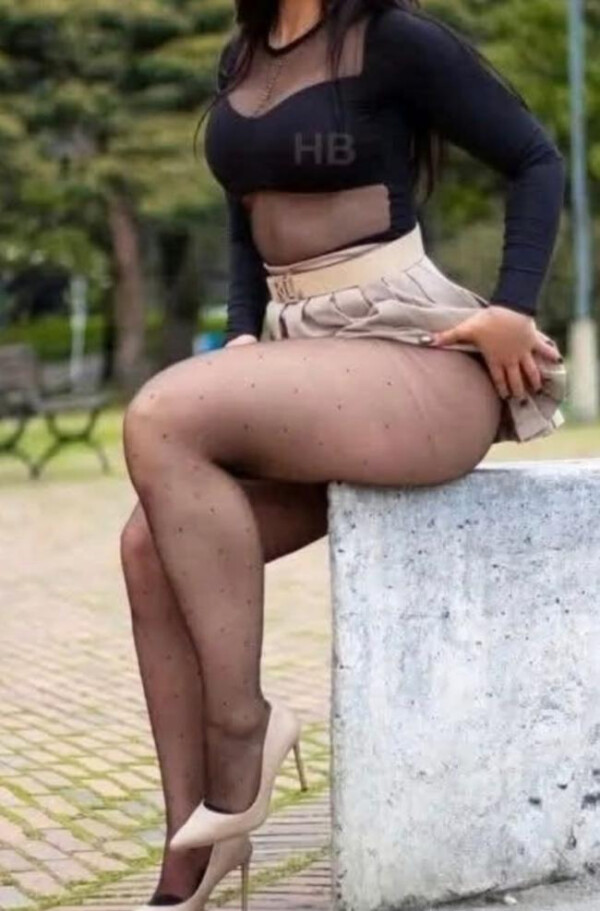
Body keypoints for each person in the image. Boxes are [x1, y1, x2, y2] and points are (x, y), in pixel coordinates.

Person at [120, 1, 567, 908]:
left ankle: (242, 730)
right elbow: (245, 220)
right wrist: (242, 330)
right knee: (146, 547)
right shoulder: (245, 53)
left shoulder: (390, 38)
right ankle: (192, 854)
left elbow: (535, 158)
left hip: (412, 352)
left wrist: (513, 305)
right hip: (302, 357)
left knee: (159, 414)